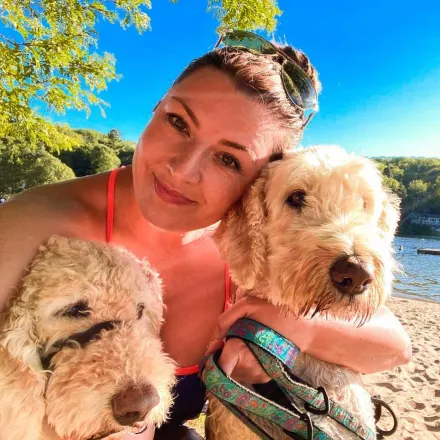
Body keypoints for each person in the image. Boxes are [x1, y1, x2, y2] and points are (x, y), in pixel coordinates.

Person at [0, 31, 411, 440]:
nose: (183, 169)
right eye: (178, 122)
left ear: (259, 184)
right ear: (156, 107)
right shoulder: (37, 224)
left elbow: (394, 346)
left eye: (228, 159)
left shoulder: (254, 247)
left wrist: (293, 330)